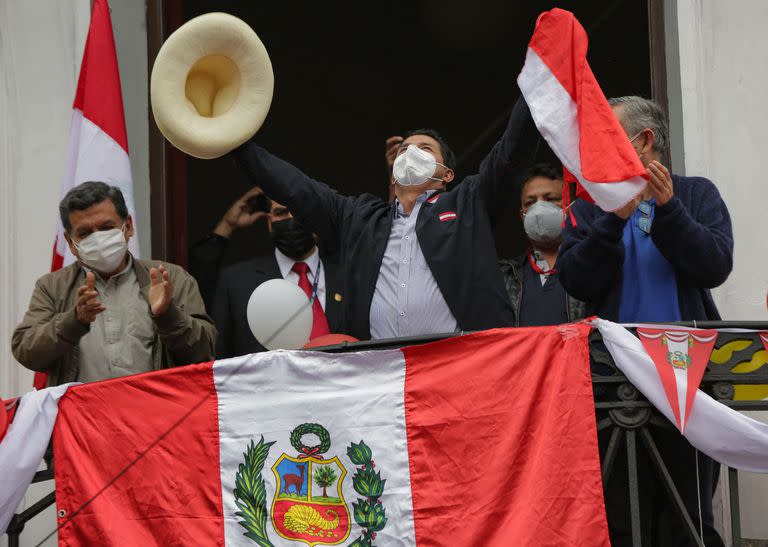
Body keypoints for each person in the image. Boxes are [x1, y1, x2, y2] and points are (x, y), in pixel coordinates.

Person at [558, 96, 733, 547]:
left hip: (686, 378)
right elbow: (575, 278)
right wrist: (612, 223)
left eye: (605, 136)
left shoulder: (697, 194)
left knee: (687, 520)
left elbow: (714, 265)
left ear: (644, 140)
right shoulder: (590, 206)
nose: (593, 148)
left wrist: (669, 209)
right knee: (619, 519)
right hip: (613, 383)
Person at [231, 96, 539, 340]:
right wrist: (235, 144)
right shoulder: (358, 218)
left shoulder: (468, 202)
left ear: (447, 174)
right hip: (382, 379)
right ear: (393, 175)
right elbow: (296, 188)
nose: (410, 153)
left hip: (461, 368)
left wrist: (536, 82)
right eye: (404, 149)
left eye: (424, 149)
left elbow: (512, 151)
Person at [12, 182, 216, 386]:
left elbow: (205, 353)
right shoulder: (52, 287)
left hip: (154, 413)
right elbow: (26, 351)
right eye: (85, 233)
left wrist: (168, 314)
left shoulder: (169, 278)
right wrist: (74, 321)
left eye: (106, 228)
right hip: (82, 415)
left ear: (128, 226)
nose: (98, 239)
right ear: (70, 243)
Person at [189, 187, 344, 358]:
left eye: (299, 210)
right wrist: (226, 226)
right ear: (270, 223)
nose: (292, 220)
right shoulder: (236, 282)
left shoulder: (348, 275)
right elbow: (215, 352)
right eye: (282, 213)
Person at [499, 163, 585, 326]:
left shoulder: (592, 266)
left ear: (571, 206)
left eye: (551, 199)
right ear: (522, 215)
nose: (538, 209)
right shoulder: (504, 276)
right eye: (530, 203)